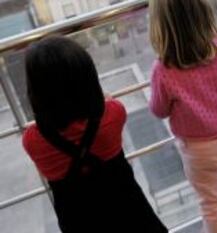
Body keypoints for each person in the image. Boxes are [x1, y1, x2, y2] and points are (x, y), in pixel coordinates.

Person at [23, 36, 168, 233]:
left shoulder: (32, 140)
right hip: (129, 212)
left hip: (78, 221)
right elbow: (106, 105)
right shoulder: (114, 113)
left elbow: (47, 170)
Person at [148, 0, 217, 232]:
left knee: (212, 206)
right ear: (205, 13)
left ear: (160, 25)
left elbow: (159, 110)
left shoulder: (163, 70)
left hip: (198, 151)